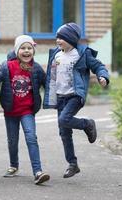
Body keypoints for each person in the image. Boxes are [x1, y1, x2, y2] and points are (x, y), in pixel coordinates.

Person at [0, 35, 50, 185]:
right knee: (12, 140)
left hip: (27, 110)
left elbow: (48, 84)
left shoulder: (35, 68)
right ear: (17, 51)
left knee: (31, 137)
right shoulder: (7, 67)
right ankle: (14, 166)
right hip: (10, 110)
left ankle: (38, 171)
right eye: (23, 48)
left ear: (33, 51)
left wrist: (58, 97)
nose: (26, 51)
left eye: (29, 48)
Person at [43, 22, 109, 178]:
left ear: (71, 39)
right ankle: (73, 164)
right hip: (60, 96)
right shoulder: (56, 54)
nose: (58, 40)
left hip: (75, 95)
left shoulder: (82, 54)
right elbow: (51, 75)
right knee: (64, 132)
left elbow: (98, 66)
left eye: (62, 38)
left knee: (63, 120)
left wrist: (103, 76)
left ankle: (87, 124)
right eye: (57, 37)